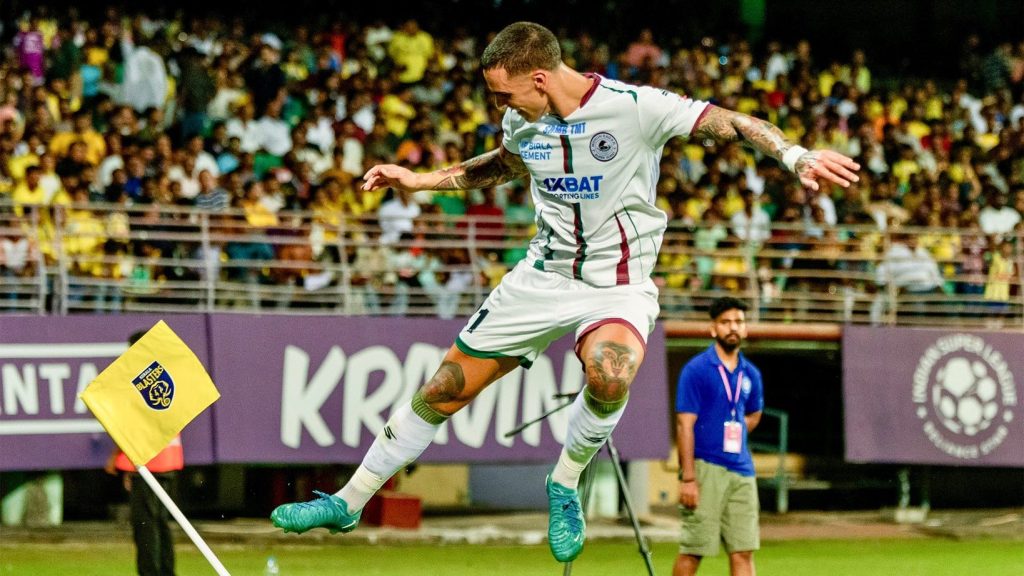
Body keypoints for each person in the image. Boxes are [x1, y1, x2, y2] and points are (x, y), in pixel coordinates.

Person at [269, 21, 858, 564]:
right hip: (543, 276)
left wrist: (795, 155)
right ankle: (348, 502)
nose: (499, 106)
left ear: (540, 78)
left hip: (617, 284)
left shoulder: (635, 108)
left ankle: (564, 483)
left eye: (503, 94)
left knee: (610, 372)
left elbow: (732, 122)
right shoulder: (521, 120)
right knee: (443, 388)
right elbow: (504, 164)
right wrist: (422, 180)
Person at [674, 297, 764, 576]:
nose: (733, 327)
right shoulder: (697, 369)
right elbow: (684, 425)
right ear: (713, 328)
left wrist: (733, 435)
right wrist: (689, 478)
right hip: (706, 469)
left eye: (738, 322)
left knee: (744, 551)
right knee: (693, 550)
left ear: (745, 328)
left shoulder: (751, 374)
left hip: (742, 470)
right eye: (725, 322)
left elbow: (754, 414)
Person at [104, 330, 184, 576]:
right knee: (160, 522)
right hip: (169, 458)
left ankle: (150, 573)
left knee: (145, 525)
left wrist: (118, 458)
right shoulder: (164, 375)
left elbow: (132, 427)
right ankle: (166, 572)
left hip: (148, 460)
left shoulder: (139, 379)